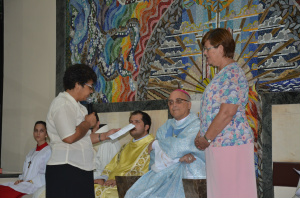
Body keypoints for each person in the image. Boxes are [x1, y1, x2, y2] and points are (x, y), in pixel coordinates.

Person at [194, 28, 257, 198]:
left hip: (231, 143)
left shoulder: (232, 73)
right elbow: (211, 111)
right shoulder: (223, 74)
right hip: (219, 143)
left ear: (220, 48)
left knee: (231, 193)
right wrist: (202, 134)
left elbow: (227, 112)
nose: (205, 53)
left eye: (208, 48)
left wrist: (206, 138)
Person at [45, 64, 118, 198]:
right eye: (90, 87)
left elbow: (83, 138)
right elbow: (69, 137)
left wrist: (104, 136)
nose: (91, 91)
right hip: (65, 169)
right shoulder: (62, 104)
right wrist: (87, 123)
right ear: (77, 84)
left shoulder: (80, 108)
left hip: (82, 169)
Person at [125, 90, 206, 198]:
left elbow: (180, 146)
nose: (174, 105)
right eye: (171, 102)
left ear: (189, 105)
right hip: (162, 174)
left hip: (188, 173)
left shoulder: (198, 125)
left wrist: (156, 144)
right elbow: (155, 157)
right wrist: (178, 158)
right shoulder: (165, 127)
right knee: (134, 193)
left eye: (179, 101)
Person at [94, 110, 154, 198]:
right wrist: (103, 179)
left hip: (131, 186)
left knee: (107, 194)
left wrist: (120, 182)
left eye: (137, 122)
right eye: (131, 122)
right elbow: (111, 166)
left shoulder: (153, 146)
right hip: (112, 183)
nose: (132, 125)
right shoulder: (125, 146)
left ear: (146, 127)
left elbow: (149, 174)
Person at [0, 121, 51, 198]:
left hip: (34, 186)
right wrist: (21, 179)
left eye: (41, 131)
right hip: (24, 184)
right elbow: (25, 172)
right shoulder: (31, 152)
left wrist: (30, 181)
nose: (38, 133)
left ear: (46, 134)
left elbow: (47, 174)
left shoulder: (49, 151)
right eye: (36, 130)